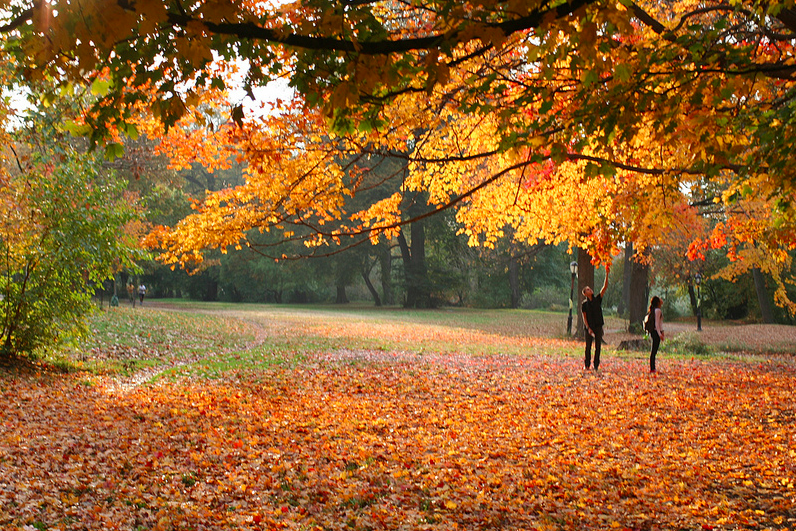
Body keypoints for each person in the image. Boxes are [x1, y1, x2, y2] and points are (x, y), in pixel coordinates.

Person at [581, 266, 609, 372]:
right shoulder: (584, 305)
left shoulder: (597, 299)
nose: (590, 289)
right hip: (589, 327)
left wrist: (606, 274)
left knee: (598, 347)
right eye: (588, 289)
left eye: (590, 288)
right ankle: (587, 364)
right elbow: (584, 317)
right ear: (585, 293)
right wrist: (588, 328)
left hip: (598, 326)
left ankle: (596, 365)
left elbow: (604, 287)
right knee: (588, 347)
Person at [648, 296, 664, 373]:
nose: (662, 299)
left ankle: (653, 368)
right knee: (654, 351)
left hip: (655, 332)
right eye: (660, 299)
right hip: (655, 332)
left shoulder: (656, 310)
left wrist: (662, 331)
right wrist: (659, 334)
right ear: (658, 302)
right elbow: (657, 323)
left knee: (654, 350)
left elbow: (660, 323)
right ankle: (652, 368)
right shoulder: (657, 310)